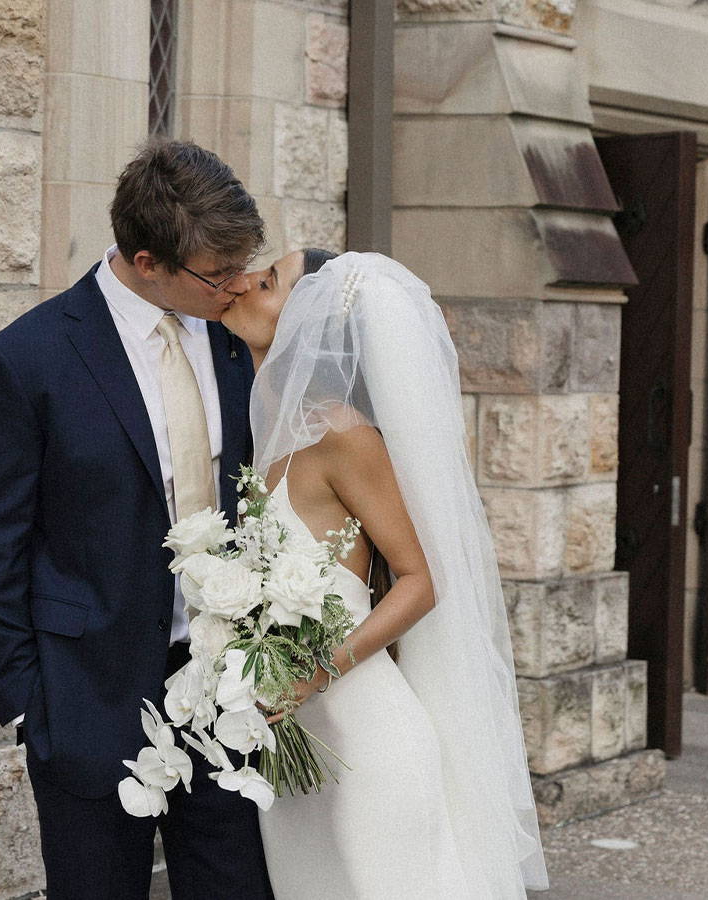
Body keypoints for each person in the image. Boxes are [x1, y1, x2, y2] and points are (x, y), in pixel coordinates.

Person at [0, 140, 273, 899]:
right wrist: (29, 707)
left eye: (241, 264)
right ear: (145, 258)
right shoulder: (26, 361)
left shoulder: (240, 341)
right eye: (215, 273)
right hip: (85, 701)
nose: (234, 285)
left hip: (229, 696)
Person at [219, 249, 552, 897]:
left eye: (268, 283)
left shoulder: (343, 436)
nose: (241, 285)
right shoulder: (270, 439)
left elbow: (421, 581)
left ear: (313, 324)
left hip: (369, 742)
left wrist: (310, 676)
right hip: (299, 751)